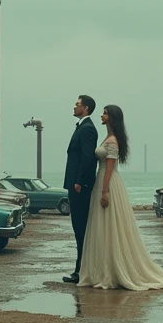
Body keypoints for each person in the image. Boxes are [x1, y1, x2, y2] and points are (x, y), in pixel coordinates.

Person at [78, 105, 163, 291]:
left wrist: (104, 191)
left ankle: (111, 270)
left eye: (104, 113)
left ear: (111, 117)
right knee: (103, 226)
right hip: (102, 181)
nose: (101, 115)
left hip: (107, 182)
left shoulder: (112, 141)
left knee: (110, 224)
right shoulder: (108, 138)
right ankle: (101, 269)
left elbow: (109, 168)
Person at [62, 94, 98, 284]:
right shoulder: (83, 127)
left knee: (80, 228)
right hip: (75, 184)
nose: (74, 107)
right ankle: (81, 269)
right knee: (78, 229)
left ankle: (80, 271)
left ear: (85, 109)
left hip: (79, 187)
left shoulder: (87, 129)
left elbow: (88, 158)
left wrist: (79, 182)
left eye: (77, 104)